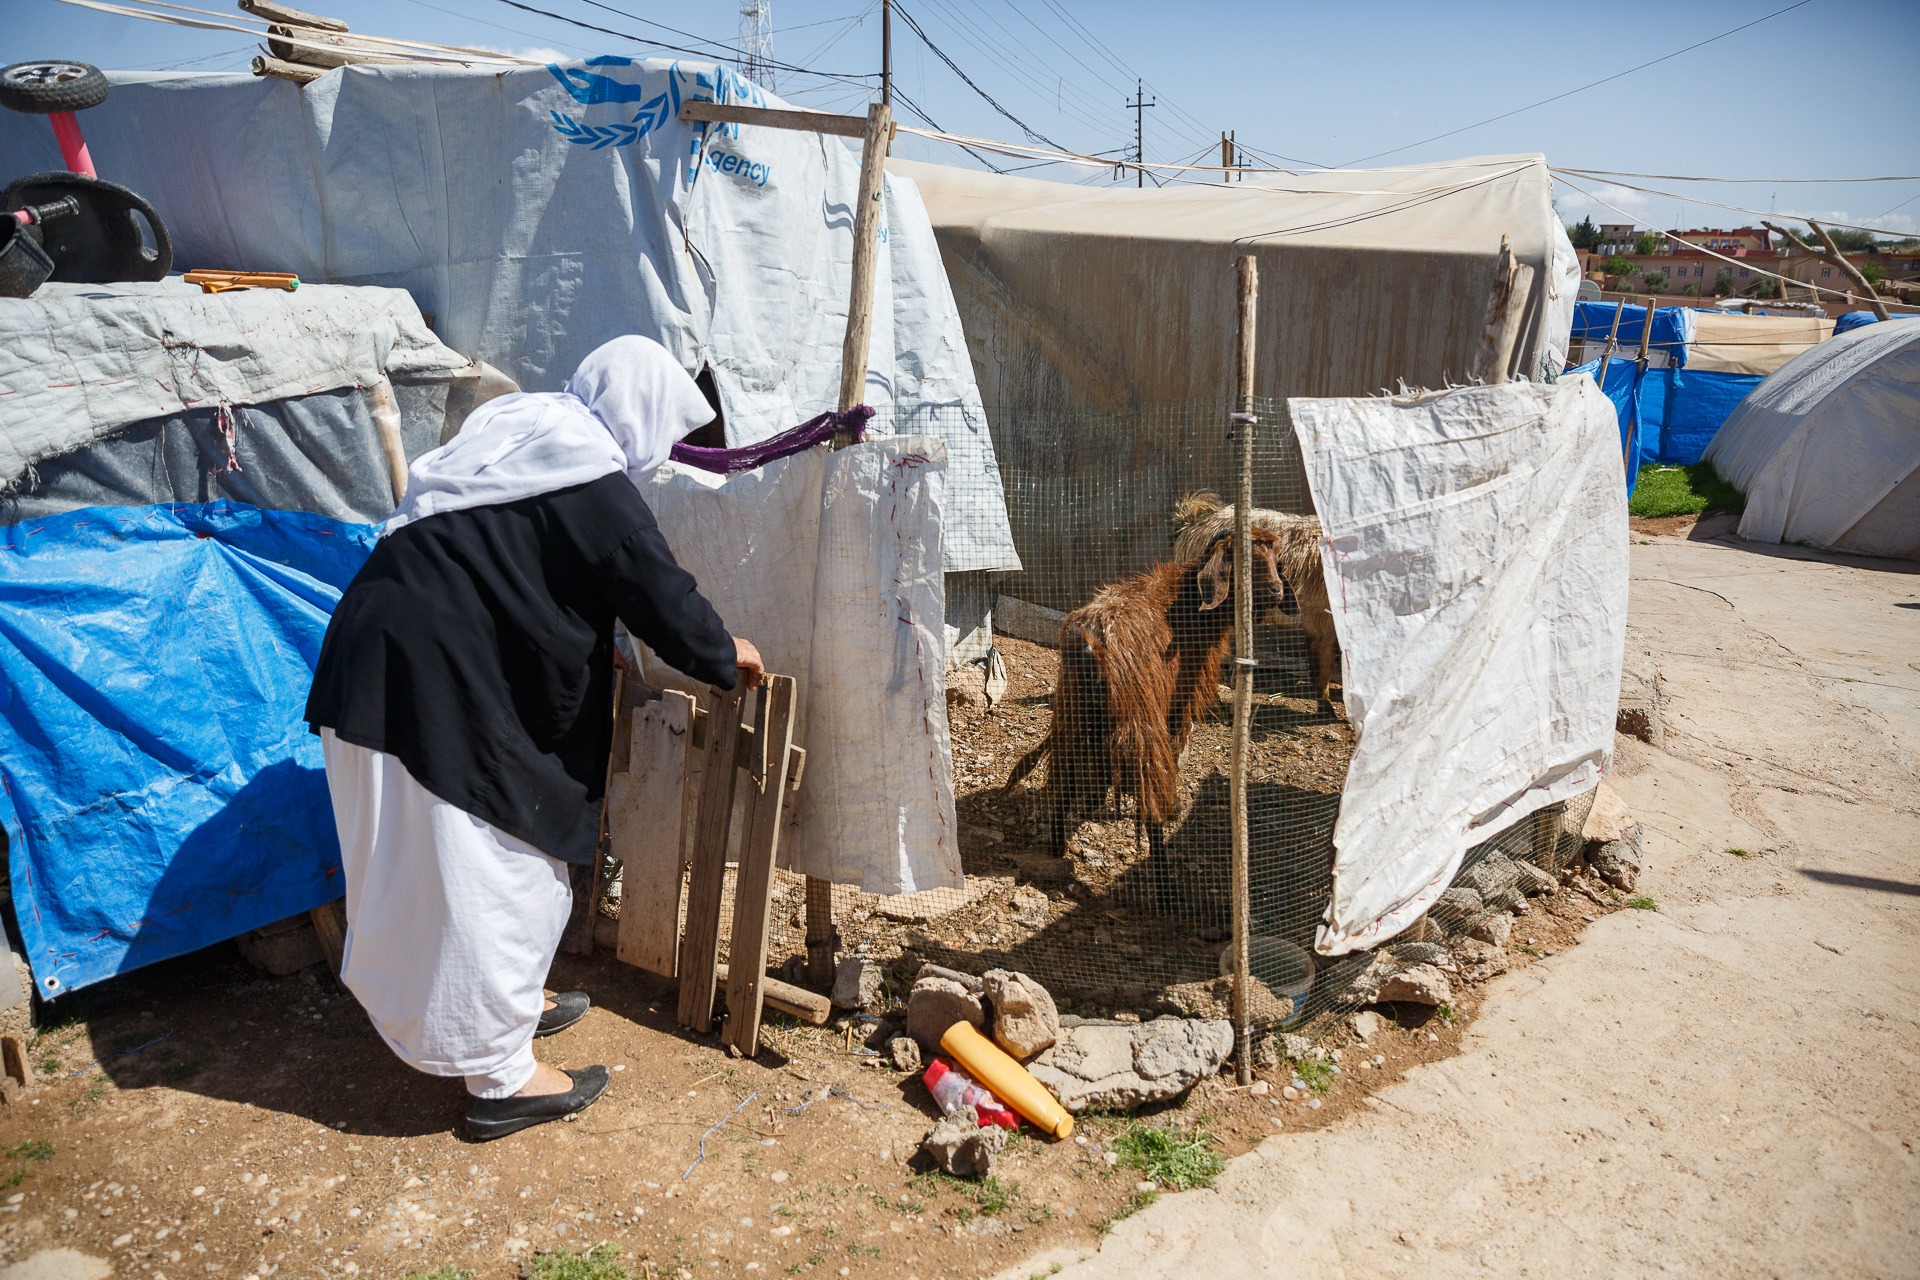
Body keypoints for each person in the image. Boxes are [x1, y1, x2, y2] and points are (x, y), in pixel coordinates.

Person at [305, 336, 761, 1140]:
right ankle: (501, 1077)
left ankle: (504, 1006)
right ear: (642, 411)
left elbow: (509, 566)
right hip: (435, 689)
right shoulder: (590, 479)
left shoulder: (519, 435)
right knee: (491, 864)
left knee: (432, 864)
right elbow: (658, 592)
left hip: (372, 663)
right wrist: (726, 654)